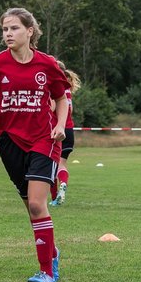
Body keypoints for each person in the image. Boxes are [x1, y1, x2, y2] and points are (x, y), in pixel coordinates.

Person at [0, 8, 70, 282]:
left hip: (44, 140)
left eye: (14, 28)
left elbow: (61, 98)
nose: (7, 34)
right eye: (4, 30)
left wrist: (60, 125)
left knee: (39, 204)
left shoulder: (47, 64)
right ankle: (51, 252)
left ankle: (46, 272)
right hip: (10, 143)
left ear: (30, 31)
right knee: (32, 208)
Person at [50, 59, 81, 206]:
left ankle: (54, 198)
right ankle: (63, 183)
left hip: (56, 130)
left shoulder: (54, 90)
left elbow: (51, 108)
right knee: (62, 164)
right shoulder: (67, 91)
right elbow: (71, 110)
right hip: (69, 130)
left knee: (51, 165)